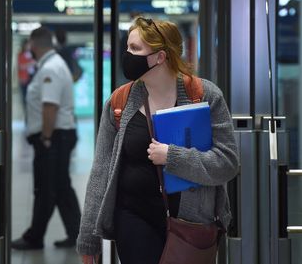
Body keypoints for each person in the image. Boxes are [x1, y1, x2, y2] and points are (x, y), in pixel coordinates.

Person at [76, 17, 239, 263]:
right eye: (127, 47)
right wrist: (88, 239)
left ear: (160, 57)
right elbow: (100, 173)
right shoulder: (120, 102)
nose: (127, 54)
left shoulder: (204, 96)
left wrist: (172, 157)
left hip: (191, 222)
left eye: (135, 49)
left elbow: (227, 163)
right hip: (132, 216)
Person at [11, 26, 82, 250]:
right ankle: (77, 234)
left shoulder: (50, 68)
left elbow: (49, 106)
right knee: (61, 187)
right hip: (61, 135)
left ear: (34, 44)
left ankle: (34, 237)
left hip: (55, 137)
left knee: (45, 188)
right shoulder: (54, 64)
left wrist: (46, 137)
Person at [17, 38, 36, 109]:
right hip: (24, 79)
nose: (29, 46)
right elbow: (21, 66)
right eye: (28, 45)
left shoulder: (32, 54)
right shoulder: (20, 55)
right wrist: (30, 64)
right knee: (25, 97)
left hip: (32, 77)